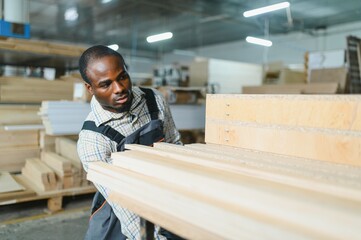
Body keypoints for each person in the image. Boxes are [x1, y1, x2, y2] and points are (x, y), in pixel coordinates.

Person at [77, 45, 182, 239]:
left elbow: (175, 146)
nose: (119, 89)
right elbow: (124, 205)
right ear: (90, 88)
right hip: (121, 210)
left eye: (122, 77)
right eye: (106, 84)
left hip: (163, 191)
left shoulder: (154, 100)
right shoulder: (92, 139)